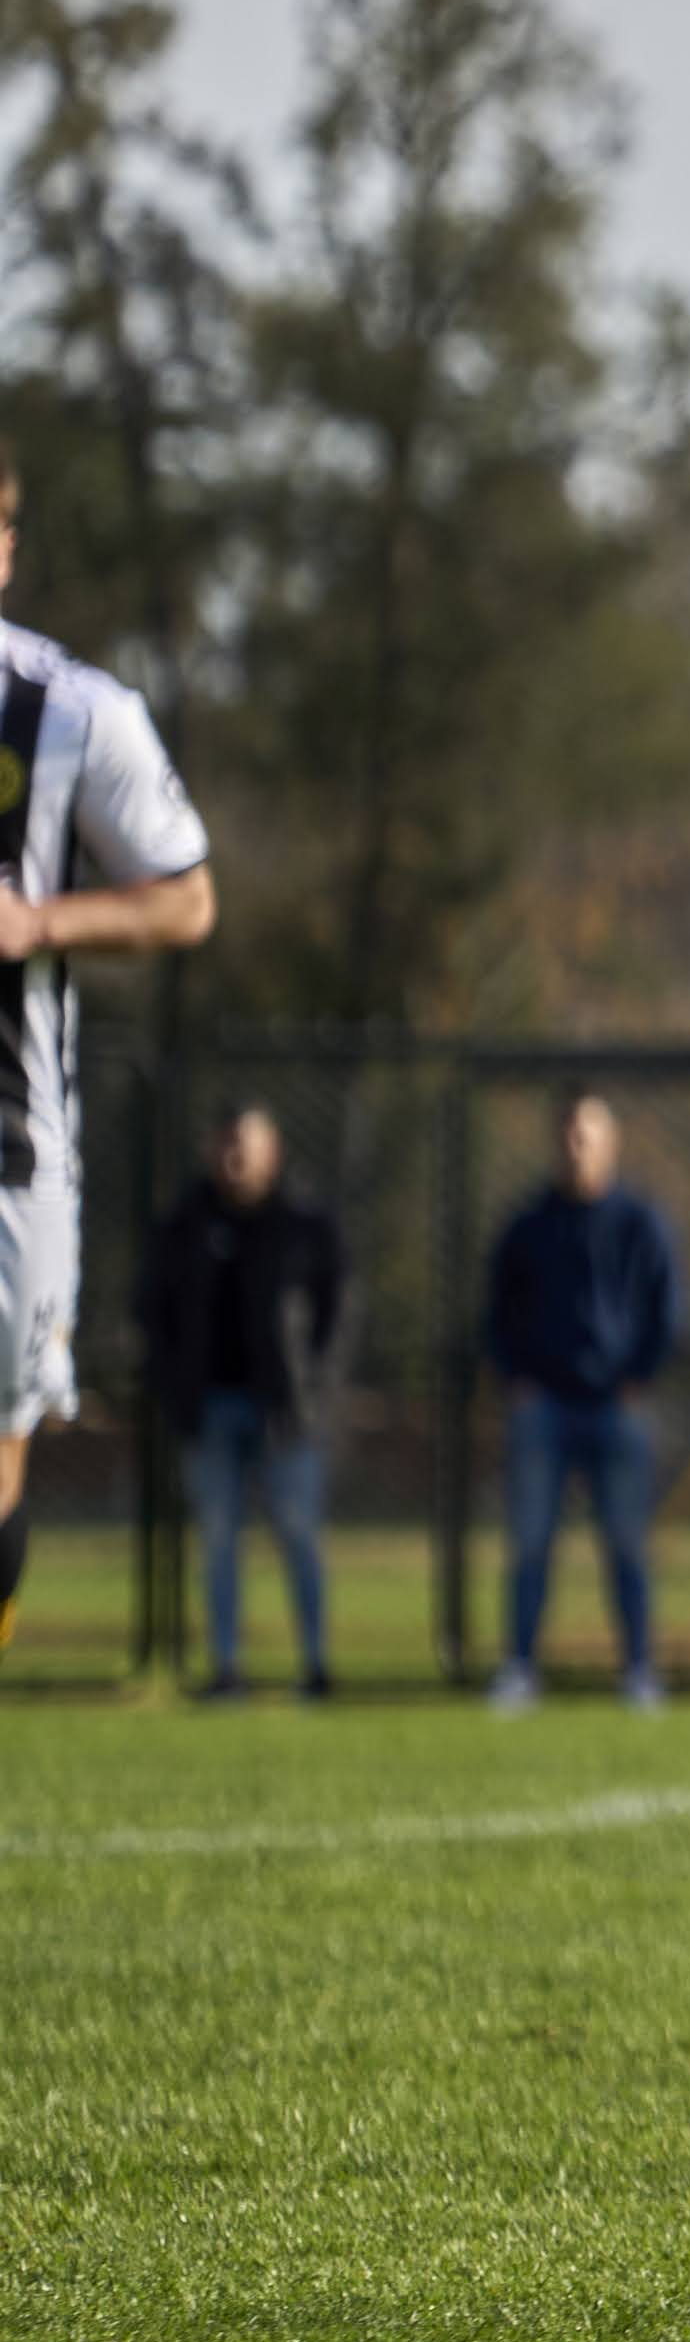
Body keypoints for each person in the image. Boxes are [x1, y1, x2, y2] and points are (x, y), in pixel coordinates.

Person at [0, 440, 222, 1661]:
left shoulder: (73, 714)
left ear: (5, 549)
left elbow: (186, 899)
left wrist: (38, 923)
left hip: (9, 1154)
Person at [135, 1101, 348, 1699]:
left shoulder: (304, 1222)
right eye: (226, 1145)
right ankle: (226, 1669)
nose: (235, 1159)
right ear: (211, 1150)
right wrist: (174, 1386)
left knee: (299, 1533)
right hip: (209, 1408)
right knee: (219, 1540)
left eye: (246, 1146)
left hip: (286, 1413)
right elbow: (151, 1312)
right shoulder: (184, 1223)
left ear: (271, 1151)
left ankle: (316, 1665)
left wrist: (313, 1388)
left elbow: (337, 1313)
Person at [483, 1090, 684, 1711]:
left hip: (616, 1407)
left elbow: (668, 1310)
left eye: (588, 1137)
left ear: (610, 1142)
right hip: (543, 1406)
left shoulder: (640, 1223)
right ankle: (520, 1667)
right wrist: (517, 1379)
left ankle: (639, 1669)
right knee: (531, 1541)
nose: (578, 1149)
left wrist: (638, 1376)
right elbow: (496, 1313)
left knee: (626, 1543)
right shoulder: (528, 1225)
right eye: (569, 1136)